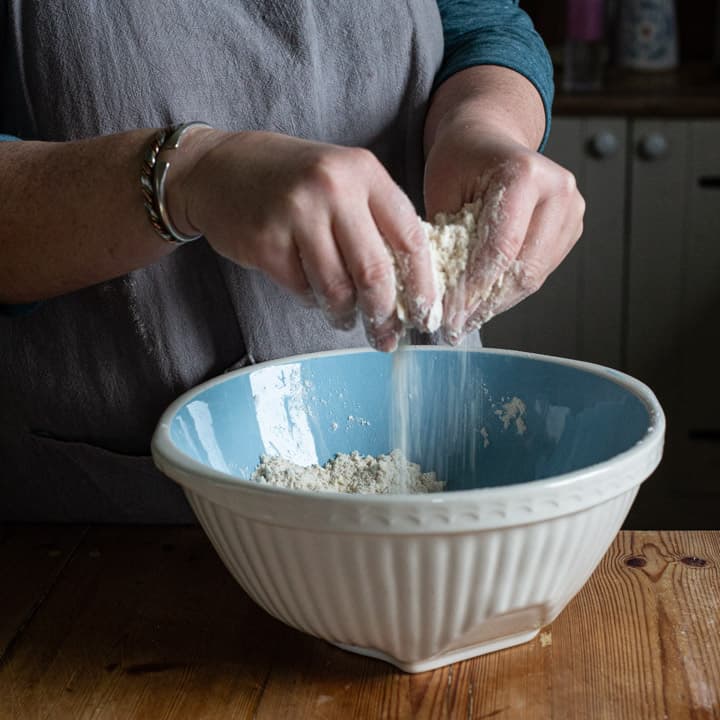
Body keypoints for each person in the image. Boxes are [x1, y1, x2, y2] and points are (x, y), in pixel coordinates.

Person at [0, 1, 584, 522]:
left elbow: (479, 24)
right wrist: (193, 174)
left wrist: (480, 124)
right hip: (109, 538)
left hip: (429, 470)